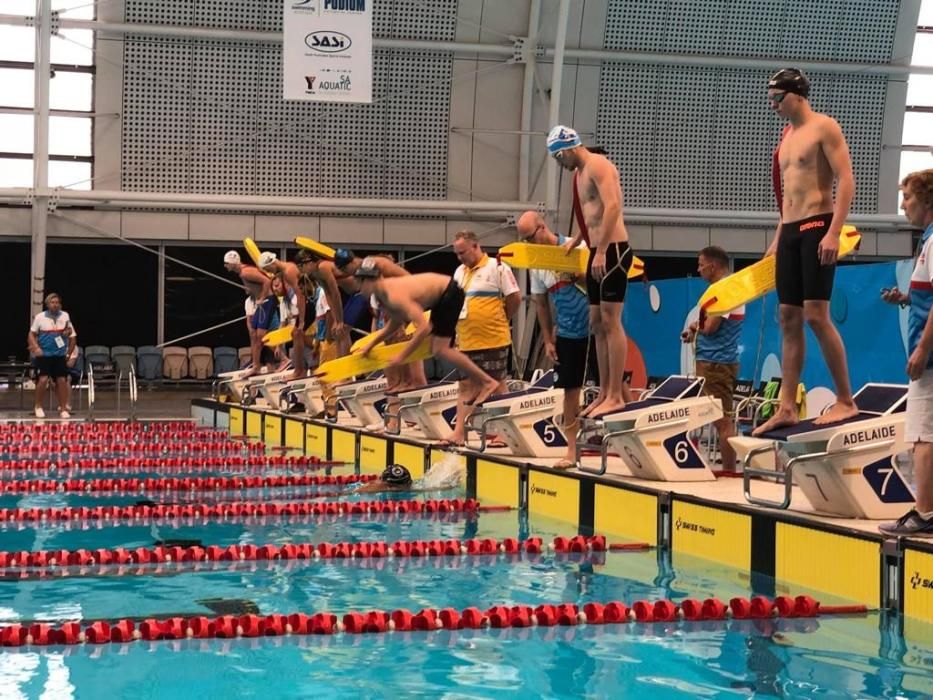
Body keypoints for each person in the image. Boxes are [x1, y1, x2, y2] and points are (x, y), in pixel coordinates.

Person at [753, 68, 858, 435]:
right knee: (788, 318)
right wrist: (777, 239)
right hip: (792, 231)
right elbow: (787, 197)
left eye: (777, 98)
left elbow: (846, 179)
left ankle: (846, 400)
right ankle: (786, 407)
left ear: (797, 94)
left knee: (816, 315)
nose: (773, 105)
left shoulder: (824, 127)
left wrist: (833, 233)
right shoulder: (786, 136)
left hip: (818, 226)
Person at [549, 125, 633, 418]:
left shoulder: (599, 165)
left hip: (613, 251)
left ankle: (615, 395)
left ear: (570, 147)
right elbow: (590, 215)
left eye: (559, 157)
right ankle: (603, 391)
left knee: (611, 321)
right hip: (597, 250)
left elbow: (612, 207)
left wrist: (599, 250)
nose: (560, 164)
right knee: (597, 322)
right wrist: (579, 239)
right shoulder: (579, 174)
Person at [355, 262, 500, 411]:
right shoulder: (382, 295)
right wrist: (370, 345)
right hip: (441, 296)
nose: (359, 287)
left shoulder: (393, 295)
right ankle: (481, 381)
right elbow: (394, 324)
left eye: (360, 282)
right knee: (438, 348)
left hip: (450, 293)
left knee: (441, 349)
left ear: (370, 281)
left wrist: (402, 356)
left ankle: (486, 381)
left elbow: (424, 327)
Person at [516, 210, 596, 469]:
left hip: (597, 328)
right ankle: (571, 451)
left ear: (542, 227)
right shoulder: (537, 262)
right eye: (524, 240)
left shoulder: (578, 246)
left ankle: (627, 436)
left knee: (613, 386)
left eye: (529, 237)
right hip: (568, 332)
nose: (528, 244)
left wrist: (574, 275)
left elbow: (601, 282)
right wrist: (549, 339)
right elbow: (541, 304)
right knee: (569, 391)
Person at [879, 169, 933, 536]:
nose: (903, 205)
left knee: (922, 435)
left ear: (928, 200)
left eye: (908, 197)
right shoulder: (927, 241)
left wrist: (921, 352)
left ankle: (925, 514)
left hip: (929, 360)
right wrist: (906, 297)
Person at [448, 230, 521, 446]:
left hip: (493, 338)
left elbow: (514, 298)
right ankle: (459, 432)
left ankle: (505, 433)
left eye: (463, 252)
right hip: (466, 339)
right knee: (464, 386)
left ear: (475, 246)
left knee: (498, 385)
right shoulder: (459, 272)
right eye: (457, 254)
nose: (460, 257)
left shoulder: (497, 267)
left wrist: (501, 318)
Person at [682, 246, 744, 472]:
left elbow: (711, 327)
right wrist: (694, 328)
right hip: (714, 362)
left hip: (716, 364)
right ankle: (728, 470)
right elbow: (708, 326)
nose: (698, 270)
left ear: (713, 266)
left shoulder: (724, 290)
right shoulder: (726, 288)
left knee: (723, 421)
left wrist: (697, 327)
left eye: (701, 265)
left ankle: (729, 471)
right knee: (721, 420)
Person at [27, 293, 77, 419]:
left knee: (62, 380)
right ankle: (38, 406)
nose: (55, 305)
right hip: (44, 355)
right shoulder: (40, 317)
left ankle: (64, 409)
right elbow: (31, 335)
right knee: (43, 380)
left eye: (57, 302)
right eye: (52, 302)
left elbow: (72, 337)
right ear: (47, 304)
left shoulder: (65, 316)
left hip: (59, 355)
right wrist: (36, 348)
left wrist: (68, 353)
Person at [223, 250, 273, 375]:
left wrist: (261, 298)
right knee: (254, 335)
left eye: (227, 263)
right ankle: (256, 365)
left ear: (233, 263)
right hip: (262, 304)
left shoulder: (245, 272)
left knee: (261, 335)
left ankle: (280, 360)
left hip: (267, 302)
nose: (225, 266)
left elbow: (267, 281)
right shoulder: (243, 272)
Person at [259, 251, 308, 379]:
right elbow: (282, 324)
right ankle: (301, 370)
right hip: (307, 305)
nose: (269, 272)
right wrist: (279, 347)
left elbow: (301, 295)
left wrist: (301, 321)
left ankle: (299, 371)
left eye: (267, 269)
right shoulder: (285, 296)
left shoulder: (288, 271)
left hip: (310, 305)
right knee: (297, 335)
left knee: (297, 334)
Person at [294, 249, 351, 356]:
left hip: (356, 291)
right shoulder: (316, 273)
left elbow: (335, 293)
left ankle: (348, 366)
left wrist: (339, 320)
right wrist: (336, 320)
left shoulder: (323, 267)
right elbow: (329, 295)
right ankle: (341, 364)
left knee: (343, 329)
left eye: (301, 267)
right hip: (348, 293)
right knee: (338, 332)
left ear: (309, 262)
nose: (301, 271)